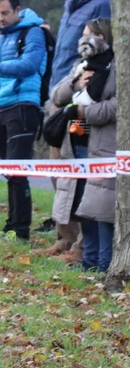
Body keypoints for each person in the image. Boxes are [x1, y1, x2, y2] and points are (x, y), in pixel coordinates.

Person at [0, 0, 47, 242]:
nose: (1, 18)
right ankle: (12, 225)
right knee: (9, 172)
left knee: (18, 172)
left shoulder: (34, 32)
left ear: (18, 10)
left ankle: (21, 231)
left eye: (5, 13)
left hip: (22, 106)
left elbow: (30, 64)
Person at [50, 19, 115, 271]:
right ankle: (87, 256)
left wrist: (83, 111)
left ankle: (102, 261)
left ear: (102, 38)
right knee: (83, 204)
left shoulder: (115, 67)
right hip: (75, 143)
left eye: (88, 35)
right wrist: (77, 84)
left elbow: (116, 106)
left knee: (100, 205)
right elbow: (57, 95)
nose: (82, 40)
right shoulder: (81, 65)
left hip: (101, 143)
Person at [52, 0, 111, 85]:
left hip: (79, 89)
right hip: (59, 88)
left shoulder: (102, 5)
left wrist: (78, 85)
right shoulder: (70, 6)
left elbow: (103, 52)